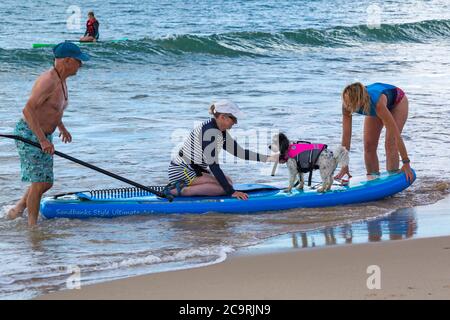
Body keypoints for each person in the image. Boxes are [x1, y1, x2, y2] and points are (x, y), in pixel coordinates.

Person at [6, 42, 89, 226]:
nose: (81, 65)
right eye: (78, 61)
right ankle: (32, 227)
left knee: (46, 182)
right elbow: (28, 110)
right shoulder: (48, 80)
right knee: (39, 182)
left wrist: (61, 127)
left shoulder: (62, 80)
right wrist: (42, 140)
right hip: (30, 134)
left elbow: (51, 108)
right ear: (67, 60)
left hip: (44, 136)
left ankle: (18, 209)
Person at [167, 100, 278, 200]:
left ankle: (186, 186)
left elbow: (240, 153)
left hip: (195, 169)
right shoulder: (210, 133)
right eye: (233, 118)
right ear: (222, 117)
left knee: (228, 182)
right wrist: (231, 192)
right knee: (224, 189)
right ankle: (177, 191)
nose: (236, 122)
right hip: (182, 171)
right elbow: (214, 166)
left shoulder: (219, 130)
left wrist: (270, 158)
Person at [335, 82, 414, 182]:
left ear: (358, 101)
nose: (347, 106)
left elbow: (397, 136)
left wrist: (406, 163)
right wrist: (344, 165)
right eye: (345, 102)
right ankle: (373, 180)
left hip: (397, 102)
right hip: (375, 103)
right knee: (369, 145)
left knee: (391, 142)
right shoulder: (347, 104)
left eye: (350, 103)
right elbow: (346, 137)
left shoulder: (377, 104)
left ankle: (392, 177)